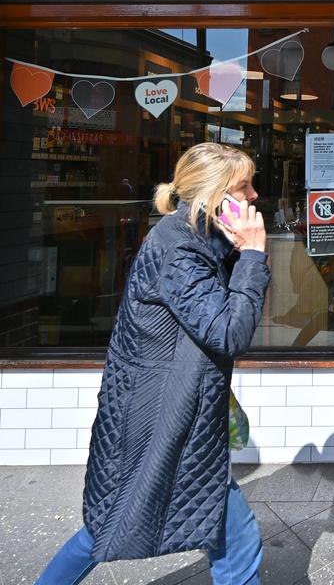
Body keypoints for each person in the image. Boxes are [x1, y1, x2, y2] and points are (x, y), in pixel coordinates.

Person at [36, 143, 271, 583]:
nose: (254, 195)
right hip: (162, 411)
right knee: (121, 525)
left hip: (171, 405)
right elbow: (228, 333)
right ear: (215, 196)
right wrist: (254, 256)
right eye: (244, 186)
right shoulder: (181, 249)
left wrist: (240, 253)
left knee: (217, 529)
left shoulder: (194, 238)